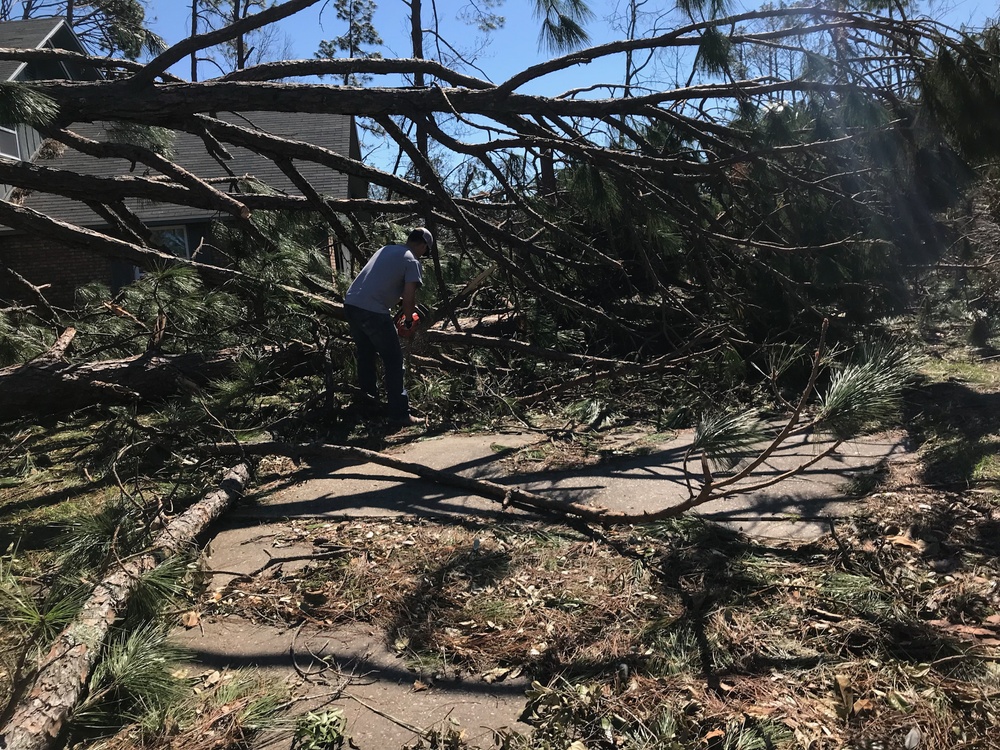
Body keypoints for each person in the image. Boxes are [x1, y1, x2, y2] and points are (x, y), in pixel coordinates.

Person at [343, 227, 434, 427]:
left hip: (351, 305)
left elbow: (381, 283)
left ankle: (369, 407)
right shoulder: (412, 260)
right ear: (423, 245)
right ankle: (399, 414)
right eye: (425, 251)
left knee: (366, 356)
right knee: (393, 360)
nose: (423, 255)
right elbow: (408, 299)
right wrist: (409, 320)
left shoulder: (386, 249)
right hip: (373, 311)